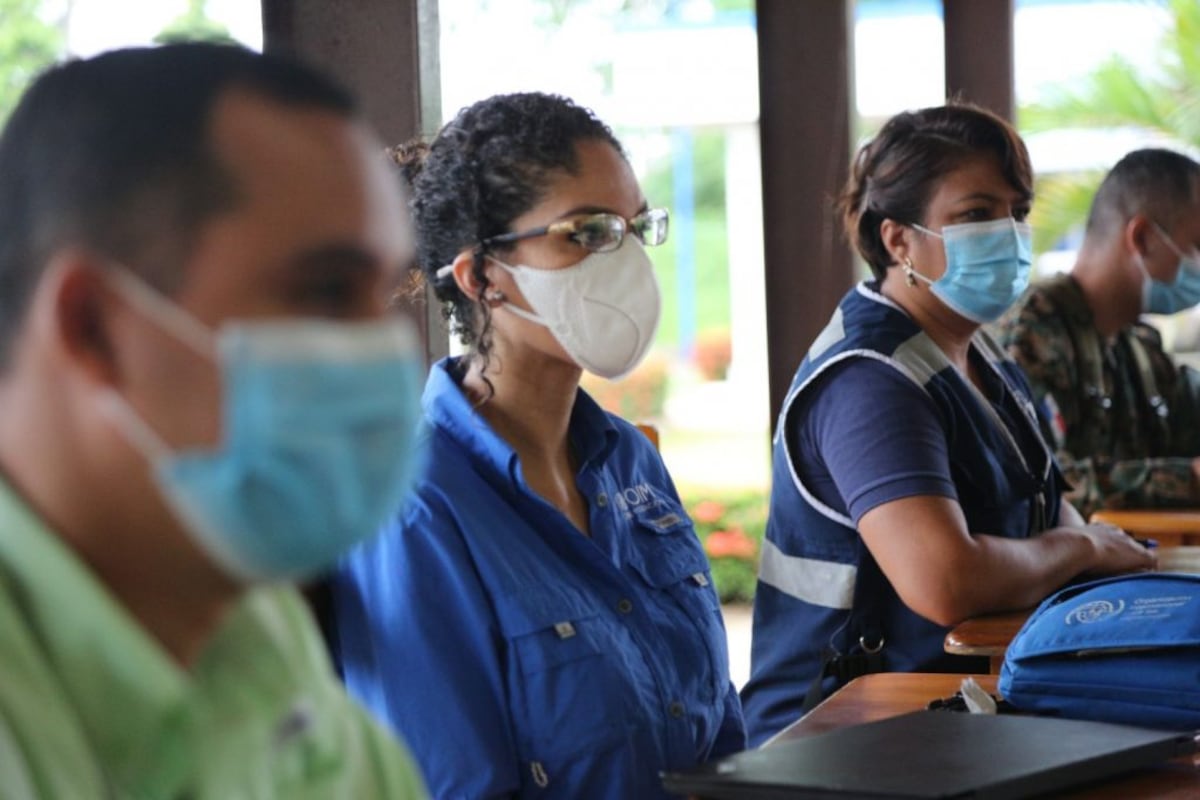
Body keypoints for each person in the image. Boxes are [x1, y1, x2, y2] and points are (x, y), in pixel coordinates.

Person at [0, 43, 429, 797]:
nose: (390, 353)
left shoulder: (251, 624)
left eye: (386, 297)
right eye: (327, 291)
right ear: (94, 327)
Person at [329, 91, 746, 798]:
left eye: (635, 228)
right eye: (586, 232)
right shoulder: (414, 508)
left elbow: (725, 748)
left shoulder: (629, 462)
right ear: (481, 276)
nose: (625, 261)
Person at [739, 103, 1156, 746]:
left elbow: (1048, 505)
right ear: (897, 239)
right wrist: (1086, 549)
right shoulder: (870, 380)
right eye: (975, 214)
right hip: (847, 729)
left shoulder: (973, 349)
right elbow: (945, 581)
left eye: (1016, 211)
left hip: (965, 700)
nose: (1009, 233)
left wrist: (1107, 558)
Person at [996, 148, 1200, 520]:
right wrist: (1187, 479)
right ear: (1142, 238)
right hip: (1070, 575)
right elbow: (1043, 481)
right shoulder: (1033, 330)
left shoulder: (1136, 344)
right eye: (1198, 245)